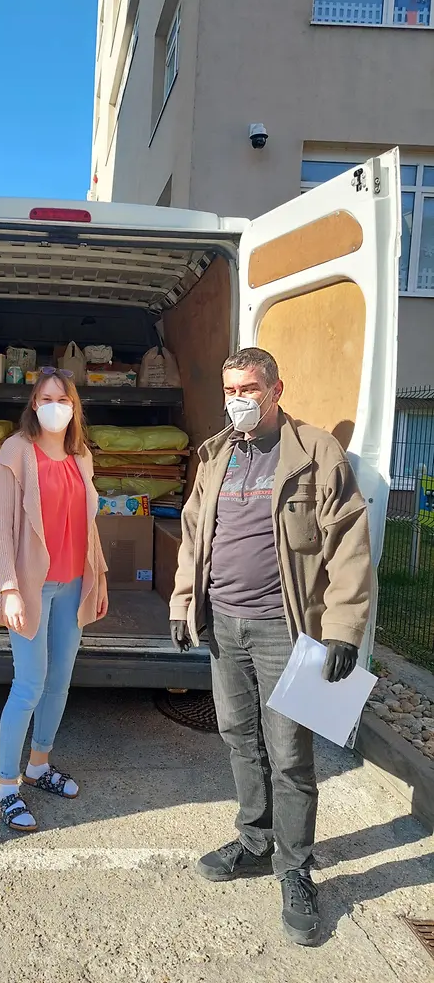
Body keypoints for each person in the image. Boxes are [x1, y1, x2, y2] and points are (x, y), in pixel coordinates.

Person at [170, 347, 371, 947]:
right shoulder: (216, 456)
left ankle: (296, 869)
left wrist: (343, 628)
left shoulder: (315, 453)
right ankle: (255, 842)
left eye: (250, 388)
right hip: (223, 625)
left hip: (287, 629)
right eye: (231, 389)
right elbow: (191, 536)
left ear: (276, 389)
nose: (239, 399)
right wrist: (184, 603)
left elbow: (349, 544)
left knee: (289, 754)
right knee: (238, 737)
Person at [0, 369, 109, 832]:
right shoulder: (17, 451)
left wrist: (98, 581)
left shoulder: (80, 456)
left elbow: (89, 526)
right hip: (33, 586)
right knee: (29, 686)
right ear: (33, 405)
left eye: (62, 397)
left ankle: (38, 767)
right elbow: (0, 526)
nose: (54, 405)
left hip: (74, 584)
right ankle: (5, 787)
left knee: (59, 684)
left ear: (74, 406)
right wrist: (10, 587)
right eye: (45, 398)